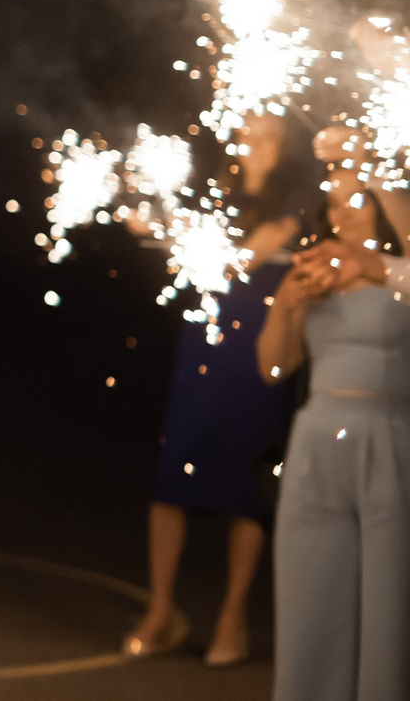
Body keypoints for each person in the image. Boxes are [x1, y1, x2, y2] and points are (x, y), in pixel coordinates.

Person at [123, 112, 309, 667]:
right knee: (173, 468)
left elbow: (238, 260)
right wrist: (150, 222)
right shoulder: (215, 194)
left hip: (258, 347)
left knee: (244, 477)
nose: (255, 143)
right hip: (203, 341)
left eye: (268, 135)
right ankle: (159, 611)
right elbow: (195, 261)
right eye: (246, 132)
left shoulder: (295, 203)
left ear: (284, 146)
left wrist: (173, 234)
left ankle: (233, 617)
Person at [254, 155, 410, 701]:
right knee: (309, 593)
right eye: (334, 204)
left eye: (356, 199)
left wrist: (375, 259)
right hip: (318, 440)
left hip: (388, 438)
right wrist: (285, 304)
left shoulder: (399, 272)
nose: (341, 213)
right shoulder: (314, 273)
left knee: (389, 603)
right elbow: (274, 369)